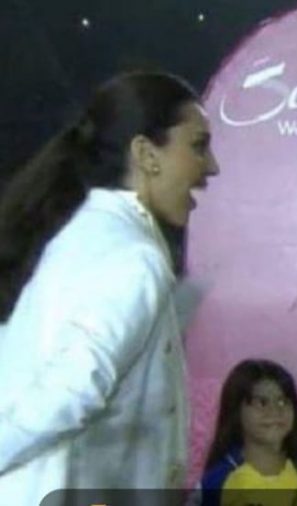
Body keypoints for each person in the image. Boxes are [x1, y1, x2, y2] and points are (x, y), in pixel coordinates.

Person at [0, 71, 218, 505]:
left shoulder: (88, 232)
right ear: (146, 154)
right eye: (198, 145)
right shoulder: (133, 258)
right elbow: (71, 390)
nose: (211, 166)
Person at [196, 359, 297, 506]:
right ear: (236, 410)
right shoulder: (219, 480)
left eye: (282, 402)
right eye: (262, 403)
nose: (274, 411)